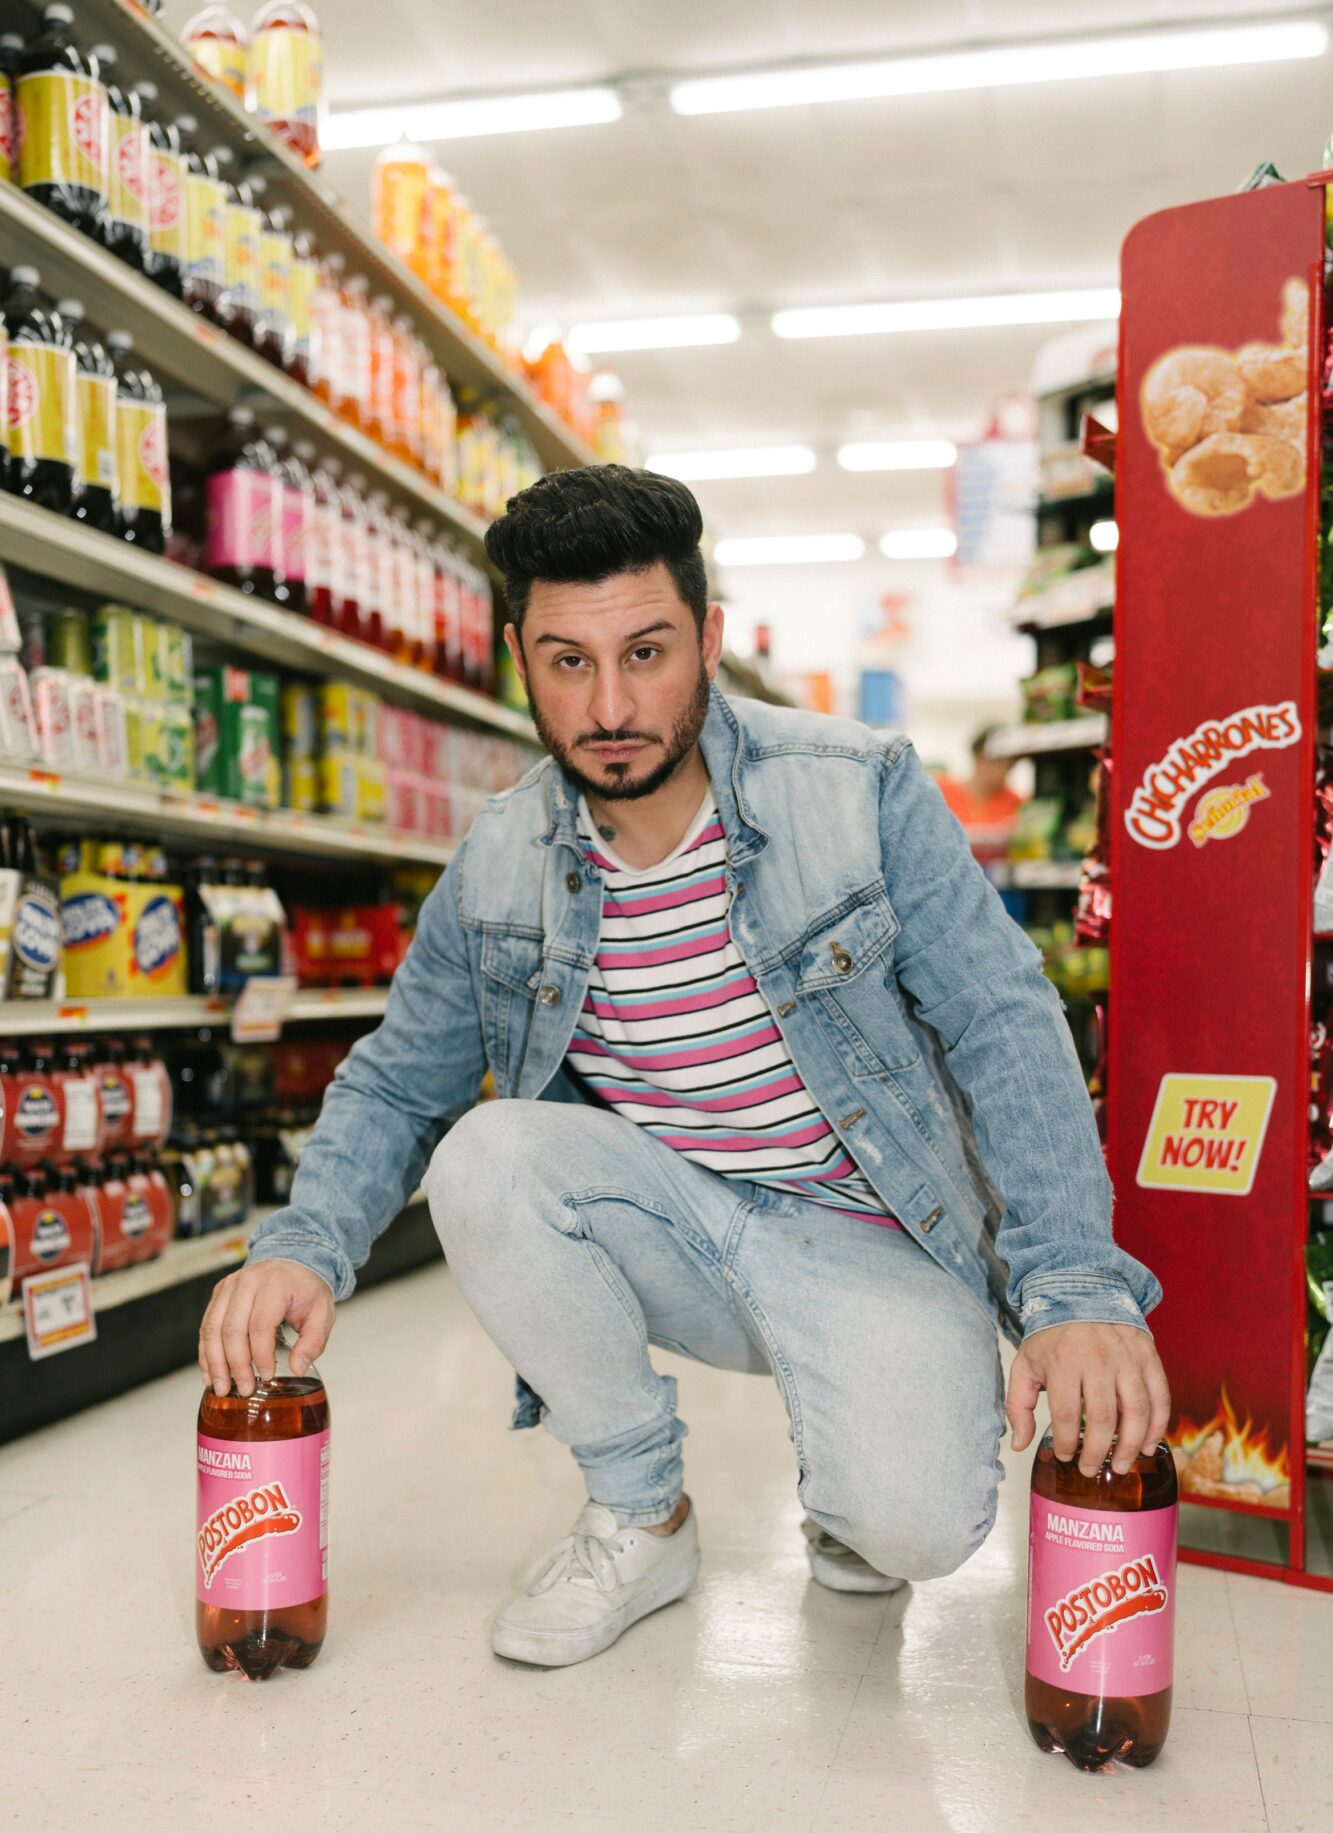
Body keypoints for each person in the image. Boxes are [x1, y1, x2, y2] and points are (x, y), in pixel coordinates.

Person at [199, 465, 1167, 1670]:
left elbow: (1003, 1019)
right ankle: (640, 1511)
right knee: (486, 1154)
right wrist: (301, 1244)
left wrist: (1074, 1285)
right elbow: (399, 1081)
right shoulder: (499, 860)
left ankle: (854, 1471)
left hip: (875, 1233)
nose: (610, 704)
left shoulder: (854, 788)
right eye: (567, 661)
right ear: (518, 658)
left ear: (707, 639)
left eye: (646, 653)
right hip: (676, 1224)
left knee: (912, 1529)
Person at [935, 728, 1024, 865]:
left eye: (1010, 764)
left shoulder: (1015, 802)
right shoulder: (941, 791)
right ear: (977, 755)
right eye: (997, 760)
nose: (1003, 769)